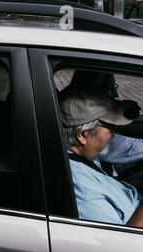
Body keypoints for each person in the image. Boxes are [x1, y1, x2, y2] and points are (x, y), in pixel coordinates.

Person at [60, 88, 143, 227]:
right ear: (83, 135)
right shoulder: (84, 194)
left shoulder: (82, 157)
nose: (114, 131)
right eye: (110, 126)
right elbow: (124, 242)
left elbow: (110, 186)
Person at [60, 70, 143, 176]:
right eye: (109, 89)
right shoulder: (81, 176)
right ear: (82, 135)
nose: (116, 94)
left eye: (114, 87)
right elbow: (130, 148)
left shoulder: (88, 145)